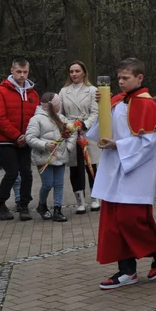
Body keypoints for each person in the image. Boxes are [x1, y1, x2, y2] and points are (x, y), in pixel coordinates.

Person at [88, 58, 156, 290]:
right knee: (113, 222)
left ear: (139, 78)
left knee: (131, 219)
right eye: (119, 77)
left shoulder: (146, 104)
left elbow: (150, 142)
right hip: (113, 168)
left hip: (134, 170)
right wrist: (103, 108)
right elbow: (103, 129)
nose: (120, 82)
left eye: (125, 78)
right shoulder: (118, 100)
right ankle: (126, 270)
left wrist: (118, 145)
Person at [0, 58, 40, 221]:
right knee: (12, 172)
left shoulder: (33, 93)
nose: (22, 75)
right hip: (6, 140)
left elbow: (37, 117)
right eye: (19, 71)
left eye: (25, 72)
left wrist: (29, 135)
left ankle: (23, 205)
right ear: (12, 70)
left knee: (26, 173)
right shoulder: (0, 92)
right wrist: (16, 135)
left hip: (26, 139)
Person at [26, 92, 76, 223]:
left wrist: (68, 148)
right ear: (53, 105)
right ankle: (42, 205)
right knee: (48, 184)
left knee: (59, 184)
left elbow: (72, 133)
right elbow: (30, 138)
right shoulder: (36, 119)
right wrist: (45, 145)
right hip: (44, 158)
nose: (60, 105)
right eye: (58, 103)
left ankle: (57, 210)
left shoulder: (62, 118)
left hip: (60, 156)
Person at [60, 61, 100, 214]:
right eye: (71, 71)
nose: (74, 74)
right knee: (75, 168)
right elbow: (60, 113)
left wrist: (83, 124)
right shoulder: (64, 91)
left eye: (77, 71)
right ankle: (80, 201)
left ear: (84, 72)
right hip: (71, 131)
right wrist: (68, 126)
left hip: (87, 131)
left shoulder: (92, 90)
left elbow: (95, 113)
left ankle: (95, 198)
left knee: (91, 165)